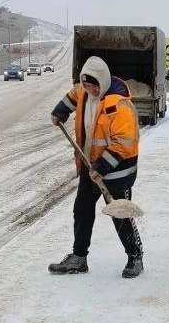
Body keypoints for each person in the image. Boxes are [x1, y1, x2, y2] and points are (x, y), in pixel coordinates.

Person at [49, 56, 144, 278]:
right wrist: (60, 111)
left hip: (117, 172)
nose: (91, 90)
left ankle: (135, 257)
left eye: (94, 85)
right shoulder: (83, 91)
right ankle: (78, 258)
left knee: (120, 215)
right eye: (87, 84)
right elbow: (73, 94)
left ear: (103, 80)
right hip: (89, 167)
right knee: (81, 211)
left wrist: (102, 166)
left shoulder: (120, 106)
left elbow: (124, 142)